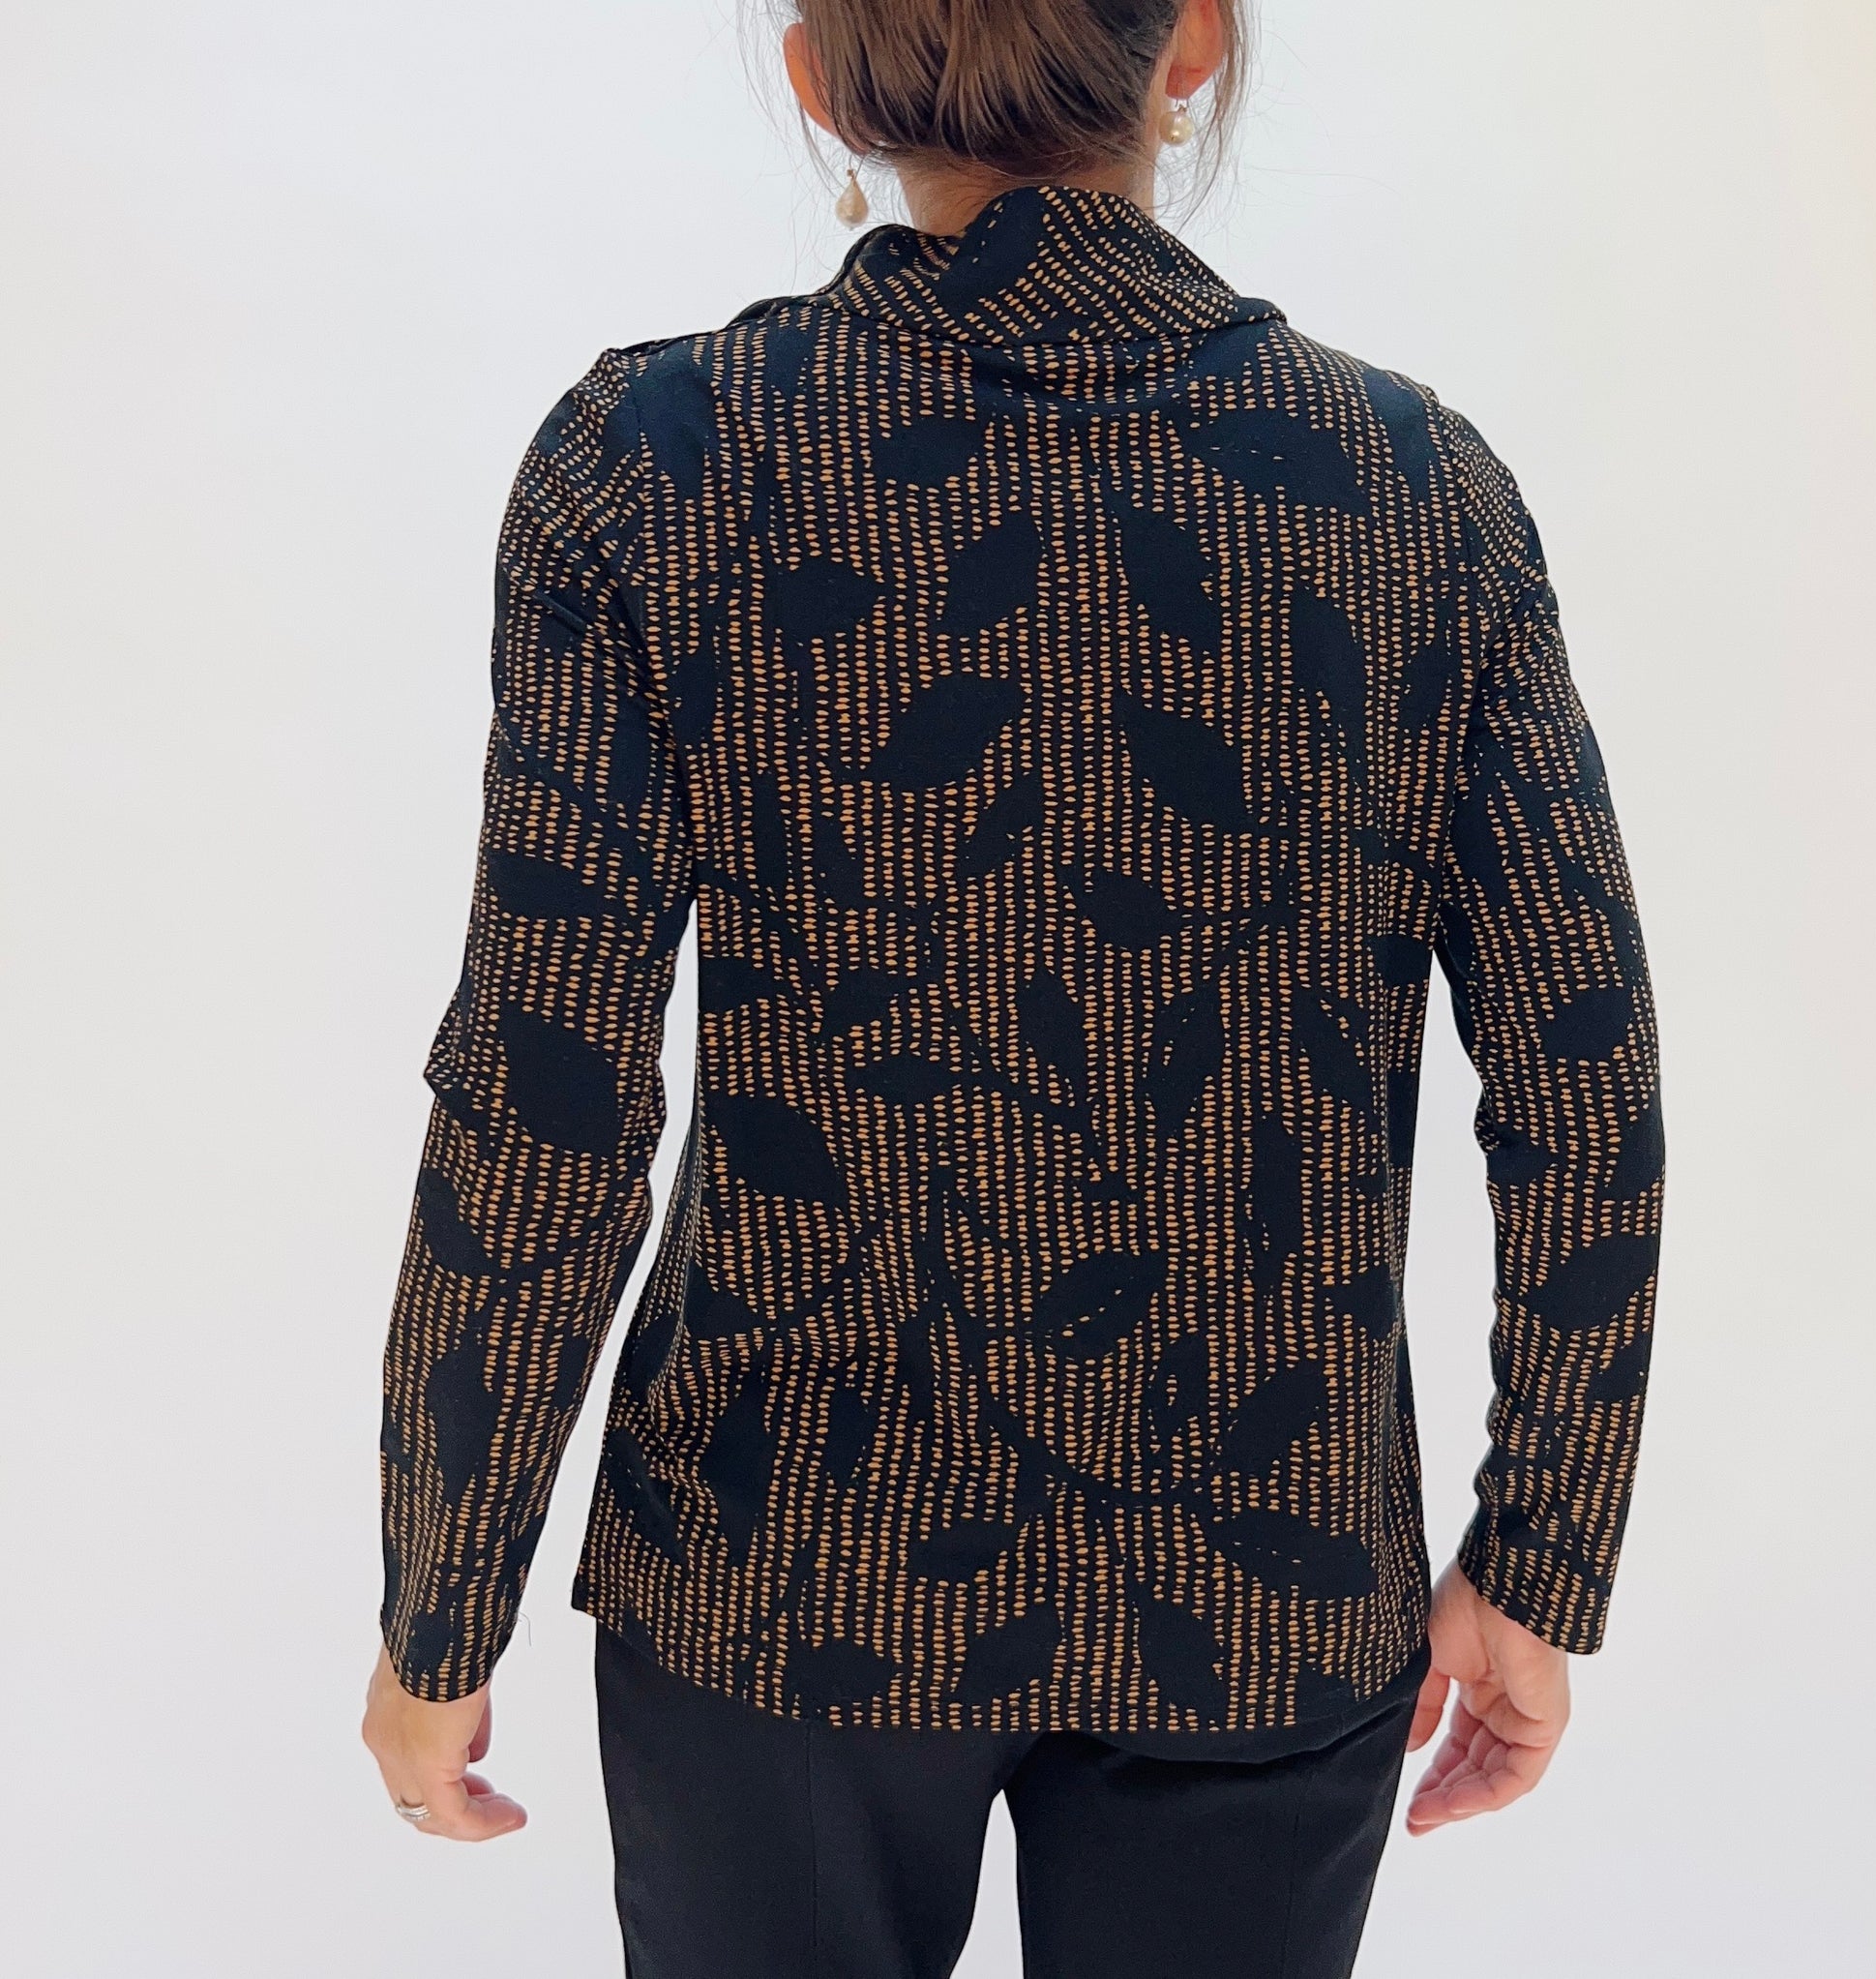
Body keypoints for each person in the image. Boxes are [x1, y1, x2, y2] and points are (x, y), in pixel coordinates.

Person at [361, 1, 1663, 1971]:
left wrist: (441, 1603)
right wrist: (1539, 1552)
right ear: (1193, 43)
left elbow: (543, 1093)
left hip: (784, 1565)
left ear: (818, 75)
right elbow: (1585, 1084)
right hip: (1262, 1569)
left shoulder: (659, 461)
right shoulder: (1414, 492)